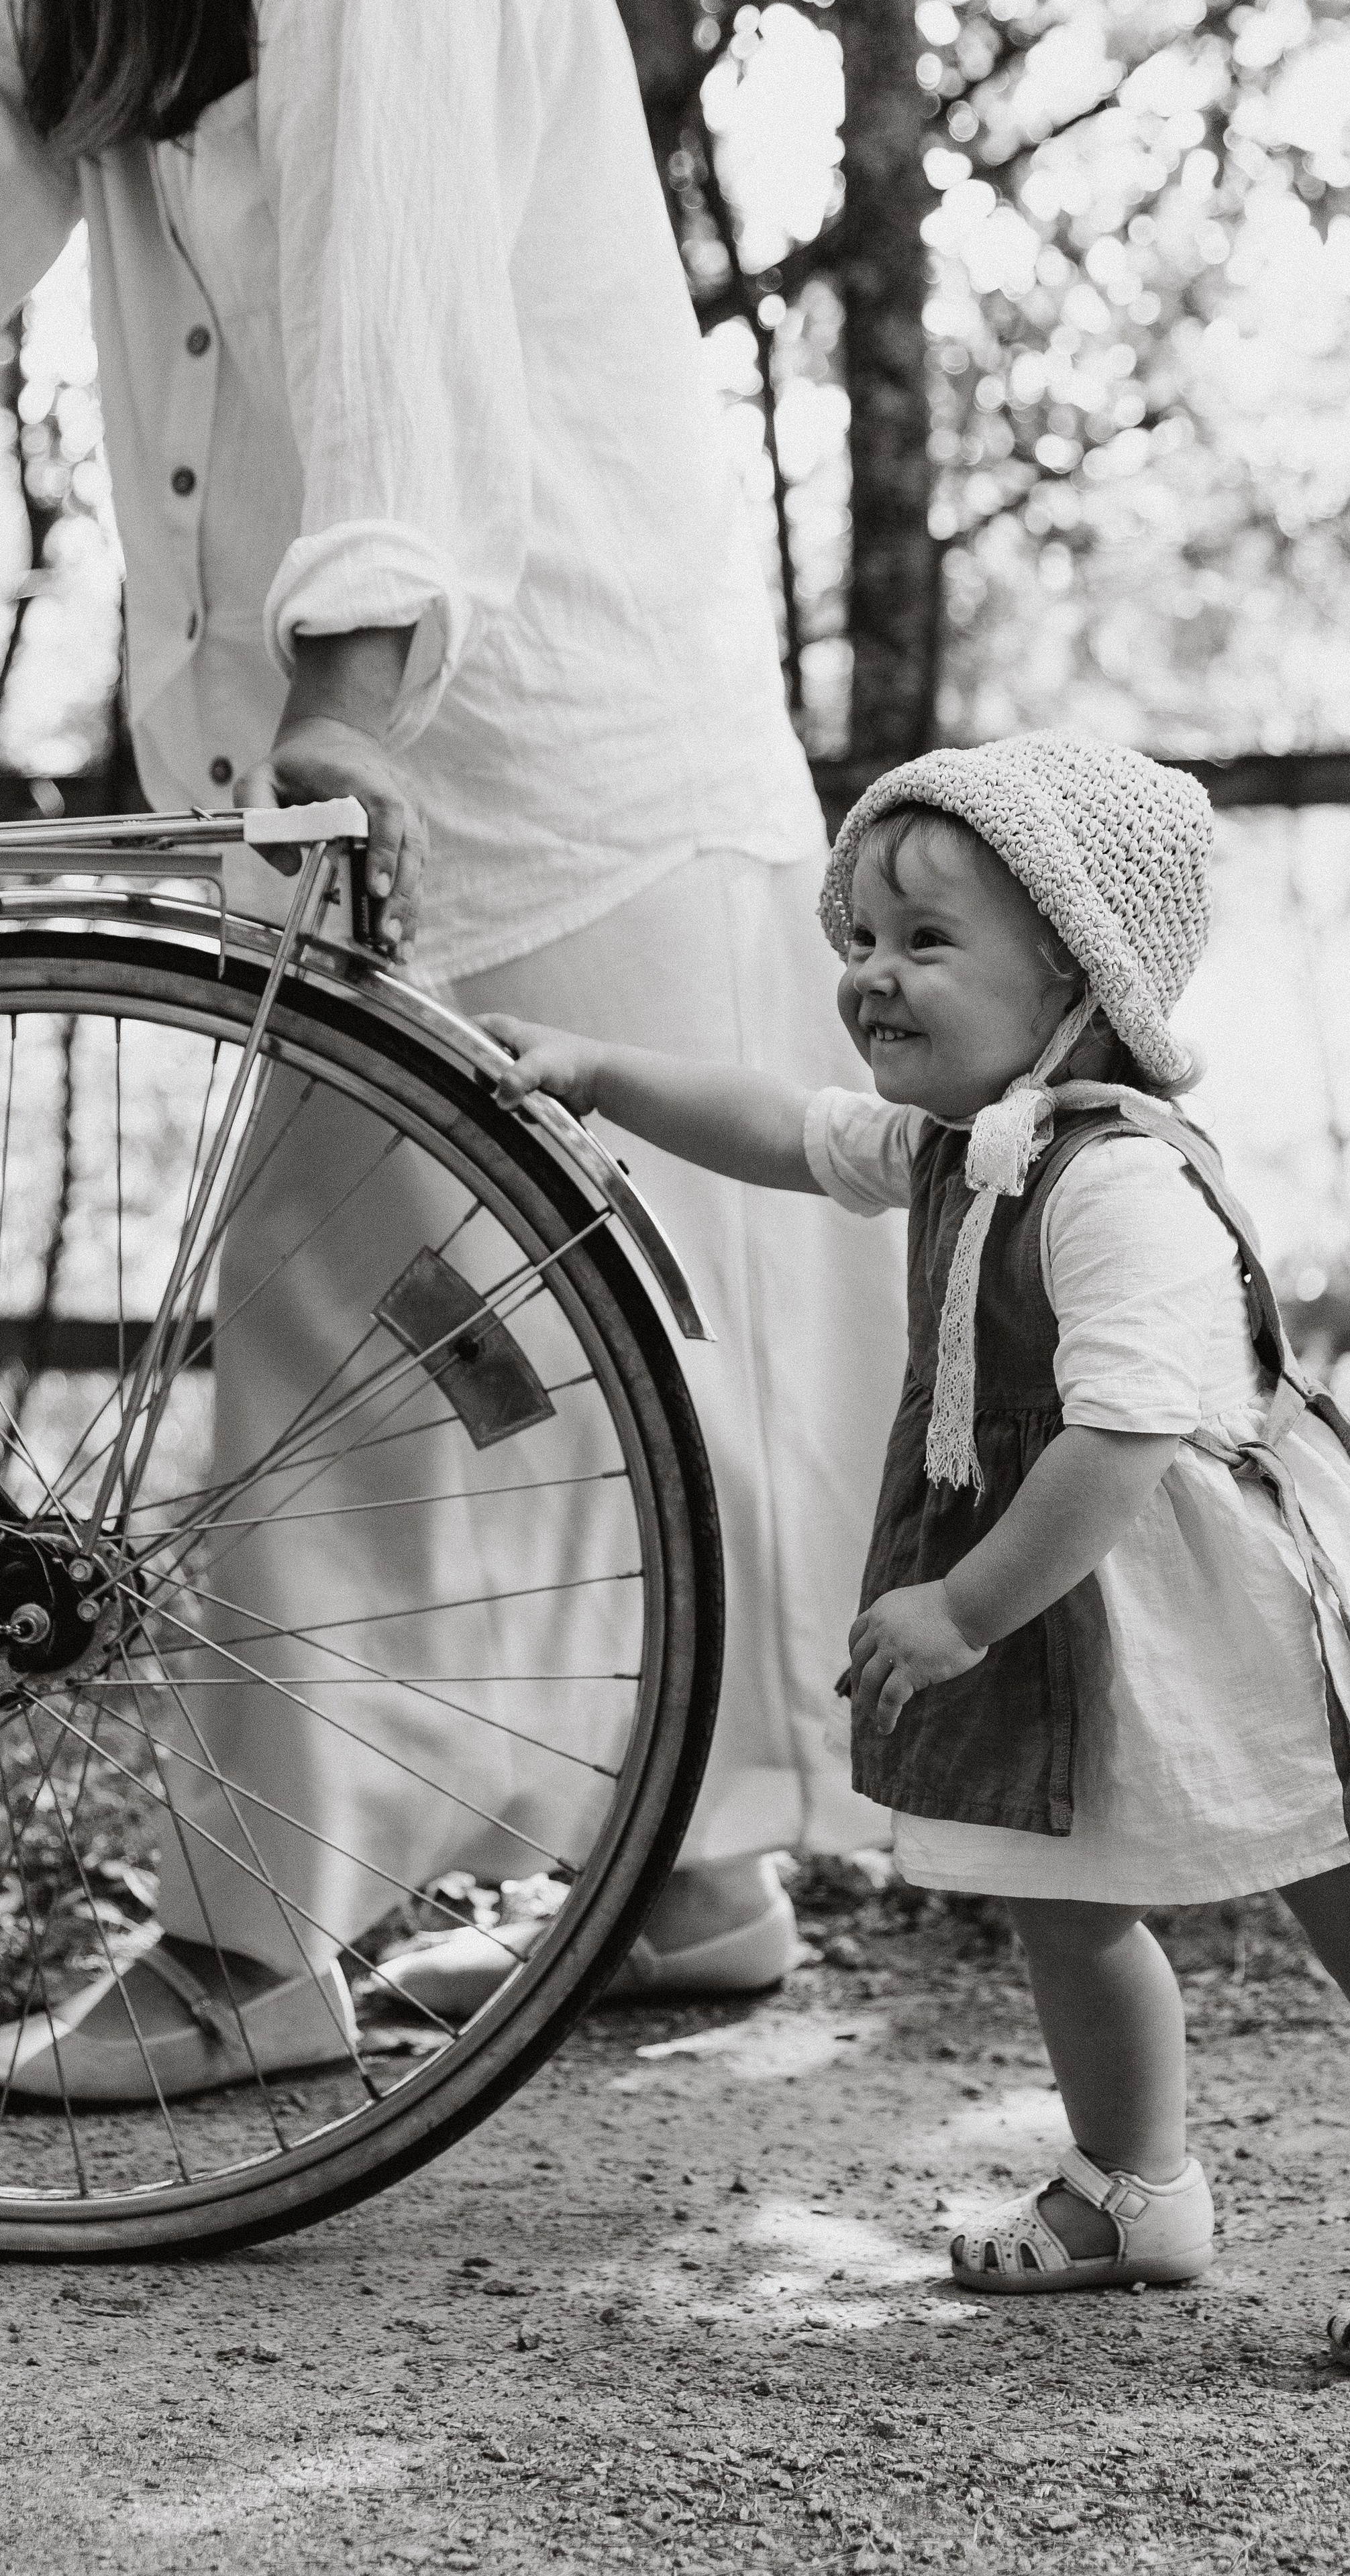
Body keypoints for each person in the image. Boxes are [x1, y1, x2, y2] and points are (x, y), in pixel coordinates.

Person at [0, 0, 901, 2097]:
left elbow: (403, 331)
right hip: (362, 750)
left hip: (505, 751)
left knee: (385, 1331)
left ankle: (251, 1949)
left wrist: (343, 694)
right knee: (541, 1366)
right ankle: (684, 1881)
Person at [477, 729, 1350, 2385]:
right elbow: (779, 1128)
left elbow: (1122, 1443)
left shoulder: (1108, 1181)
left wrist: (959, 1605)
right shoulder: (960, 1143)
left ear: (1075, 980)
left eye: (925, 944)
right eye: (857, 939)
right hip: (1105, 1638)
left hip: (1256, 1638)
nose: (869, 978)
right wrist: (599, 1068)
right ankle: (1130, 2190)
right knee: (1066, 1909)